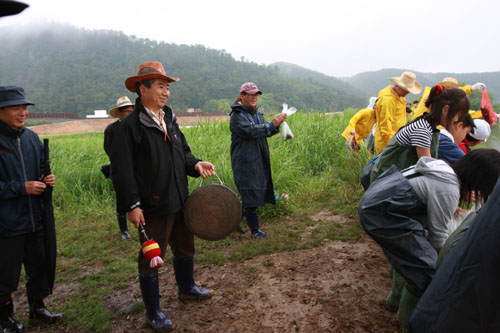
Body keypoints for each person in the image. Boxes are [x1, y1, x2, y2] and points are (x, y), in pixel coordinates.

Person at [110, 61, 216, 331]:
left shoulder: (169, 118)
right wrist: (132, 206)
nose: (166, 92)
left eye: (167, 87)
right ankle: (153, 311)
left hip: (180, 198)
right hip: (153, 205)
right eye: (160, 86)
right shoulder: (129, 126)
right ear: (142, 89)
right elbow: (122, 172)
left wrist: (196, 164)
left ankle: (187, 287)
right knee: (151, 256)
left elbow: (183, 153)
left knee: (185, 246)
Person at [358, 150, 500, 330]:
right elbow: (438, 241)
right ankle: (405, 323)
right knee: (427, 271)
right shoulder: (449, 190)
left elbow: (429, 195)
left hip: (375, 203)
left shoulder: (445, 170)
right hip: (381, 213)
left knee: (409, 256)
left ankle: (394, 302)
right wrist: (449, 265)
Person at [408, 150, 500, 332]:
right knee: (421, 270)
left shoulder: (446, 174)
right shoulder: (450, 191)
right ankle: (402, 313)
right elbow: (438, 239)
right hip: (395, 224)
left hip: (397, 219)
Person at [0, 86, 63, 332]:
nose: (23, 112)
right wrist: (21, 188)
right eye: (16, 107)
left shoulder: (31, 138)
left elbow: (39, 173)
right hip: (7, 223)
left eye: (25, 107)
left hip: (35, 218)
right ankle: (6, 318)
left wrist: (47, 181)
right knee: (5, 274)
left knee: (38, 265)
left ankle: (37, 308)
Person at [370, 85, 470, 183]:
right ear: (446, 110)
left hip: (393, 180)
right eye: (458, 115)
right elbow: (428, 168)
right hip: (384, 183)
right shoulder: (422, 129)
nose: (457, 120)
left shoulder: (427, 125)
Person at [230, 82, 287, 239]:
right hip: (245, 161)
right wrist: (272, 124)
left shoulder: (256, 114)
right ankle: (255, 231)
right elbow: (251, 131)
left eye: (256, 94)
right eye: (251, 94)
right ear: (242, 96)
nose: (254, 97)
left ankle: (233, 219)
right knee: (250, 195)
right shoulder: (237, 116)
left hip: (258, 159)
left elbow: (266, 131)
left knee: (256, 192)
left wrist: (276, 125)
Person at [103, 96, 134, 240]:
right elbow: (108, 149)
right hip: (119, 170)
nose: (129, 114)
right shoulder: (111, 130)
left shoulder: (137, 127)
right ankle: (124, 230)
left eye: (131, 111)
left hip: (136, 169)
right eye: (126, 112)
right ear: (120, 113)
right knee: (122, 199)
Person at [374, 71, 422, 154]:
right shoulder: (387, 100)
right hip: (388, 145)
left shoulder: (400, 97)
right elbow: (385, 128)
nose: (408, 93)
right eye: (406, 90)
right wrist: (394, 145)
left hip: (397, 140)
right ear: (398, 86)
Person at [411, 77, 486, 121]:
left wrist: (483, 113)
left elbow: (461, 113)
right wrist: (470, 88)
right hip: (419, 130)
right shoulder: (433, 95)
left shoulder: (445, 103)